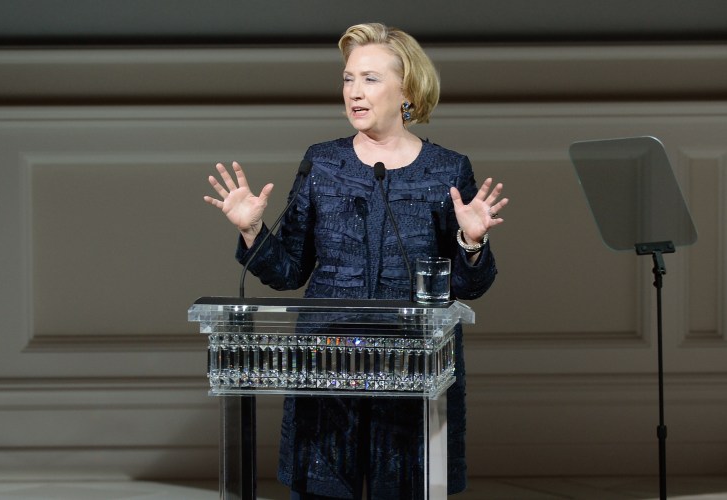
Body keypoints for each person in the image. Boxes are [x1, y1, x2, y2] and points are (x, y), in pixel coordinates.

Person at [204, 22, 508, 500]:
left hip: (413, 371)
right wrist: (251, 230)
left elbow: (469, 287)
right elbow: (288, 271)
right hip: (329, 367)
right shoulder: (321, 163)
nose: (354, 92)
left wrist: (470, 243)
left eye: (369, 78)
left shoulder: (448, 170)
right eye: (348, 79)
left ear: (406, 88)